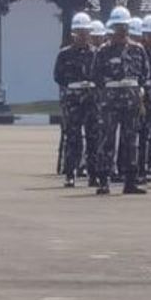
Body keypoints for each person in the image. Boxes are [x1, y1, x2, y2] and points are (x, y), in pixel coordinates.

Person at [89, 7, 150, 195]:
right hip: (110, 102)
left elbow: (144, 74)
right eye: (118, 27)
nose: (121, 31)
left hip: (131, 102)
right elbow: (95, 75)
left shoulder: (138, 50)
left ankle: (130, 181)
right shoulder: (103, 51)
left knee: (131, 141)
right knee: (107, 140)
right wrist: (109, 90)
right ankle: (104, 180)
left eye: (124, 27)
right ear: (112, 28)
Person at [54, 13, 96, 188]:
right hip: (73, 100)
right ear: (74, 33)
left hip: (91, 98)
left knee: (93, 137)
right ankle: (70, 173)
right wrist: (73, 86)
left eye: (85, 32)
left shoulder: (96, 53)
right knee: (73, 138)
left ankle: (93, 174)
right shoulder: (65, 54)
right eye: (79, 32)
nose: (82, 35)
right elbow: (58, 76)